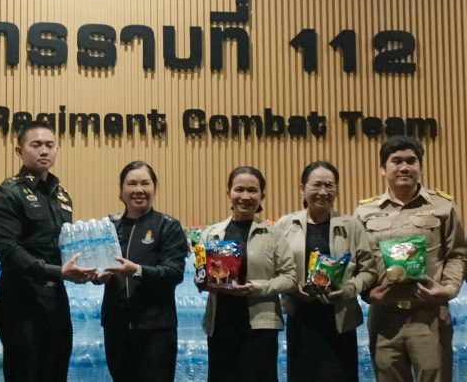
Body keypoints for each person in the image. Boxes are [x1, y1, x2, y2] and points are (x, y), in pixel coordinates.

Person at [0, 121, 96, 382]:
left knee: (56, 370)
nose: (44, 151)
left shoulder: (62, 197)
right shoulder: (7, 193)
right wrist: (57, 271)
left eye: (49, 145)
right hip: (20, 299)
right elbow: (7, 249)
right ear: (19, 151)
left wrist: (92, 270)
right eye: (36, 145)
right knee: (25, 372)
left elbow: (66, 246)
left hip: (56, 297)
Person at [354, 135, 466, 382]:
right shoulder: (365, 212)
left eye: (411, 161)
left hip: (429, 314)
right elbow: (359, 262)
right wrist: (368, 293)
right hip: (384, 317)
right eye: (396, 161)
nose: (404, 167)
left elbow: (457, 255)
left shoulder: (444, 206)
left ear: (420, 167)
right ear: (383, 169)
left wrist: (448, 290)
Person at [276, 161, 377, 382]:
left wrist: (349, 289)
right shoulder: (285, 225)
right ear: (302, 188)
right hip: (300, 318)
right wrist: (291, 286)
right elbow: (275, 268)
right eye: (317, 185)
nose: (323, 192)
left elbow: (369, 271)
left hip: (340, 319)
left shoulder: (351, 226)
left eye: (330, 185)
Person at [199, 166, 296, 382]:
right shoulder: (211, 234)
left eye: (252, 190)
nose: (245, 196)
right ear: (229, 193)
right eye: (239, 189)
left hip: (261, 326)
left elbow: (290, 277)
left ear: (262, 196)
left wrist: (257, 287)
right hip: (221, 325)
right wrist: (205, 282)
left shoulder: (274, 234)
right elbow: (201, 276)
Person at [96, 161, 188, 381]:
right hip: (116, 328)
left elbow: (174, 272)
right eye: (132, 184)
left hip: (156, 330)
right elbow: (99, 266)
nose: (139, 189)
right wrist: (97, 277)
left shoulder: (168, 226)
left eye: (145, 183)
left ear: (154, 188)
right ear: (121, 191)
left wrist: (137, 271)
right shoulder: (109, 228)